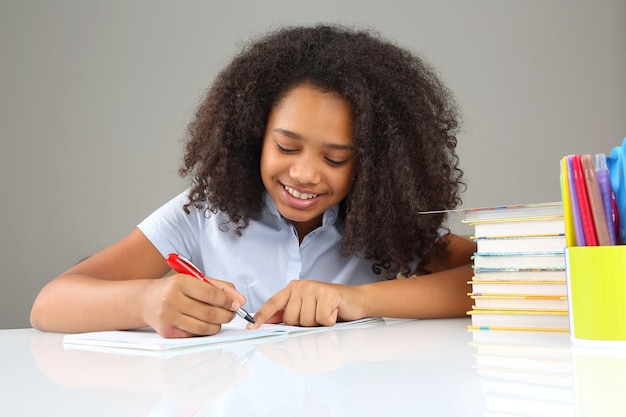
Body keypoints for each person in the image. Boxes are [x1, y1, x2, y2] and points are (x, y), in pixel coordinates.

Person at [30, 24, 476, 338]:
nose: (304, 174)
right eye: (285, 148)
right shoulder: (205, 212)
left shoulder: (381, 221)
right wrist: (147, 301)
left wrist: (359, 300)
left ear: (374, 166)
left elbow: (497, 277)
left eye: (336, 158)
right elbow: (50, 304)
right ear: (253, 137)